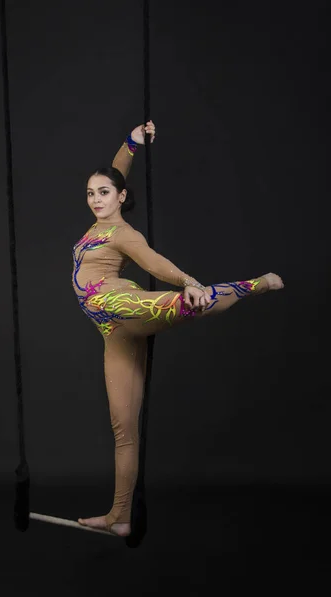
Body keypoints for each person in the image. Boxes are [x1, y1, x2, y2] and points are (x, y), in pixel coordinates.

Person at [73, 121, 284, 537]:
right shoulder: (98, 223)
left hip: (121, 304)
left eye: (104, 193)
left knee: (183, 303)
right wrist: (131, 144)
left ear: (121, 198)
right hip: (112, 333)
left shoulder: (122, 233)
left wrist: (189, 281)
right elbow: (115, 173)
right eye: (91, 193)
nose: (96, 199)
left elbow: (152, 262)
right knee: (123, 430)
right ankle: (119, 517)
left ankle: (258, 284)